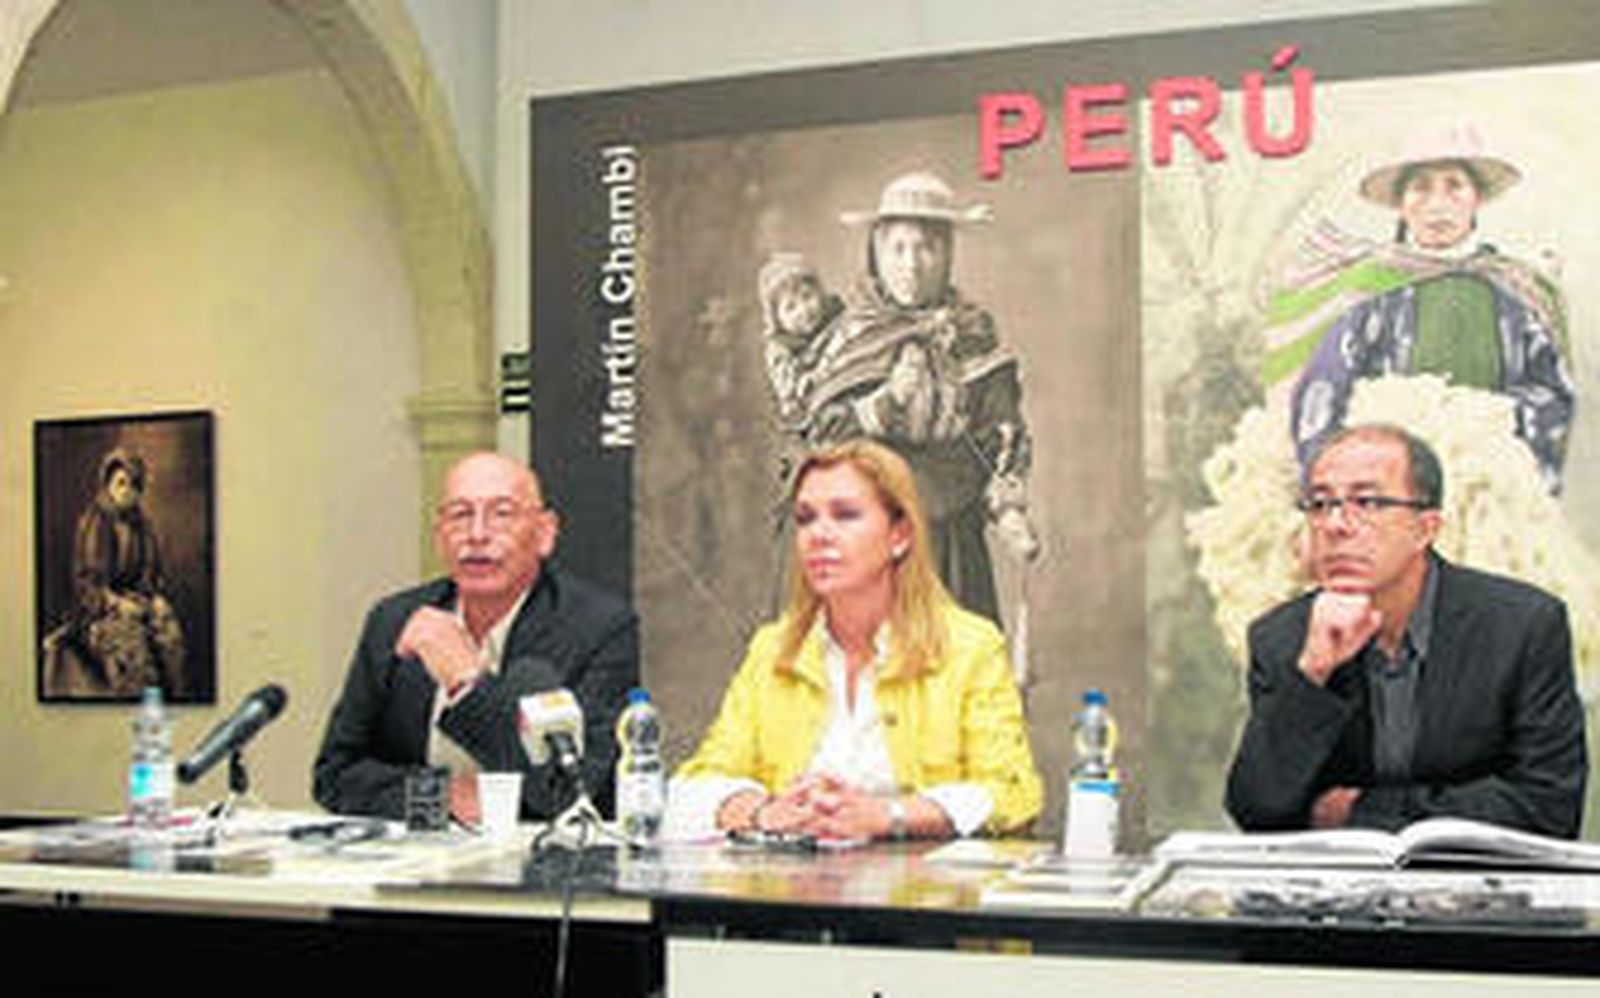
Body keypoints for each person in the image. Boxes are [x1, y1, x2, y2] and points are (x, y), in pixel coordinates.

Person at [669, 439, 1042, 841]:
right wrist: (765, 812)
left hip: (922, 897)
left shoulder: (971, 647)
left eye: (845, 515)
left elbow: (1013, 793)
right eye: (806, 518)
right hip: (790, 895)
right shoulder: (774, 649)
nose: (819, 535)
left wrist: (888, 816)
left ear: (900, 535)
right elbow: (700, 780)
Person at [1225, 424, 1586, 837]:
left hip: (1478, 887)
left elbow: (1549, 808)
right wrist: (1312, 673)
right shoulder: (1282, 638)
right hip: (1339, 896)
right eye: (1320, 504)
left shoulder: (1523, 626)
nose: (1335, 525)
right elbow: (1257, 810)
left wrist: (1361, 811)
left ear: (1426, 527)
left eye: (1366, 502)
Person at [313, 452, 639, 825]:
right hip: (413, 863)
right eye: (460, 514)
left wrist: (467, 684)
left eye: (502, 513)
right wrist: (438, 796)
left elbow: (570, 792)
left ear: (545, 533)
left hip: (541, 869)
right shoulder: (394, 620)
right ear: (439, 537)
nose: (477, 534)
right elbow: (335, 775)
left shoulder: (598, 628)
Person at [1265, 126, 1574, 492]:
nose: (1437, 203)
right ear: (1401, 202)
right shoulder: (1371, 290)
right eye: (1421, 187)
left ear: (1476, 198)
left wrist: (1485, 422)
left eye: (1454, 185)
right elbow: (1325, 388)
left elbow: (1551, 391)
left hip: (1486, 486)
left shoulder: (1514, 288)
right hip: (1389, 490)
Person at [803, 171, 1039, 621]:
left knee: (953, 671)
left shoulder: (972, 334)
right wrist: (886, 402)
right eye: (898, 248)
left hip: (952, 538)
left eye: (927, 248)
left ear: (948, 254)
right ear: (877, 252)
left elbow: (1000, 433)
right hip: (871, 542)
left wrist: (1009, 509)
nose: (911, 264)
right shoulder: (850, 339)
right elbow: (822, 437)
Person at [43, 448, 186, 698]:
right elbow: (86, 583)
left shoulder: (142, 525)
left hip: (133, 600)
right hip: (96, 610)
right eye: (120, 483)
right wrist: (116, 603)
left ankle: (176, 702)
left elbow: (149, 574)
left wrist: (155, 599)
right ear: (108, 484)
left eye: (133, 485)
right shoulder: (94, 522)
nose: (126, 491)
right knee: (131, 648)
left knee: (170, 635)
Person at [758, 252, 844, 434]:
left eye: (807, 296)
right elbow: (793, 399)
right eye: (791, 307)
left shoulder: (842, 322)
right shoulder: (782, 353)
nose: (804, 310)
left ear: (820, 293)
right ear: (777, 320)